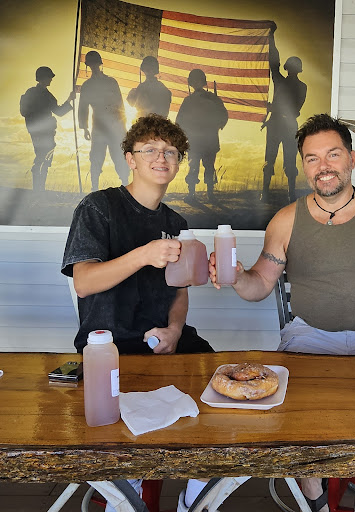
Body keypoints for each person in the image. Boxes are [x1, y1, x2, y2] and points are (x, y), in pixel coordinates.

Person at [209, 114, 355, 512]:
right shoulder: (285, 220)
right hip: (307, 336)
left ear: (352, 158)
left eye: (333, 154)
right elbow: (259, 285)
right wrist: (238, 276)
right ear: (304, 166)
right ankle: (315, 495)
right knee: (298, 419)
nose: (323, 166)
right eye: (312, 158)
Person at [62, 113, 212, 511]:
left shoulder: (175, 222)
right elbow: (84, 282)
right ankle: (125, 492)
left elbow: (179, 292)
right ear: (130, 158)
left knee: (217, 399)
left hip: (167, 343)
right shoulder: (99, 208)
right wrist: (144, 254)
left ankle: (196, 496)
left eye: (171, 152)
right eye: (150, 150)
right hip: (111, 347)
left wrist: (175, 330)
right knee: (128, 431)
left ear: (178, 163)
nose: (162, 158)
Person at [260, 24, 307, 204]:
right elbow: (274, 62)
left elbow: (274, 62)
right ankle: (286, 194)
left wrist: (271, 37)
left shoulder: (286, 83)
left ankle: (277, 194)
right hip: (285, 125)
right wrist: (271, 37)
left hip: (280, 124)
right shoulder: (300, 86)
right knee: (279, 161)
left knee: (275, 161)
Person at [78, 50, 130, 191]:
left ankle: (125, 185)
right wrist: (84, 127)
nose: (94, 67)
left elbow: (120, 104)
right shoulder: (87, 86)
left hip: (114, 125)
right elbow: (83, 107)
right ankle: (94, 188)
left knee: (119, 157)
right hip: (98, 126)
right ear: (88, 66)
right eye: (91, 64)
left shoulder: (111, 82)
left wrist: (122, 126)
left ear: (99, 64)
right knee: (96, 158)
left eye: (95, 64)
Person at [176, 68, 228, 202]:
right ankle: (192, 194)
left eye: (198, 80)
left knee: (208, 166)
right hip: (196, 140)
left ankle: (210, 194)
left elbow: (223, 115)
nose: (196, 83)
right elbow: (180, 120)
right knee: (194, 167)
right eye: (194, 81)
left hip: (208, 139)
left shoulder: (212, 99)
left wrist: (217, 125)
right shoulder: (190, 100)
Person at [20, 66, 75, 191]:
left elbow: (58, 111)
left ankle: (39, 188)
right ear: (44, 78)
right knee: (43, 158)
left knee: (44, 158)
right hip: (43, 132)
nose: (51, 79)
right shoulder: (44, 95)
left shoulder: (36, 93)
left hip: (40, 131)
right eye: (50, 77)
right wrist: (69, 100)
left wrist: (69, 99)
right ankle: (39, 189)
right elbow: (59, 112)